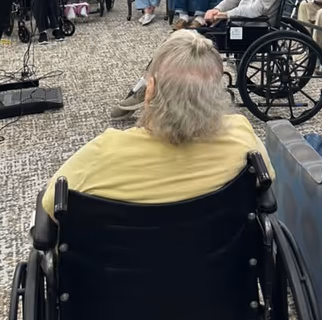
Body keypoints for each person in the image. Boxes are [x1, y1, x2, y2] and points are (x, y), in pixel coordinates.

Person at [43, 31, 274, 216]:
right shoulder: (241, 136)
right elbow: (266, 182)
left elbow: (51, 204)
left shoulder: (105, 151)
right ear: (216, 92)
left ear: (150, 90)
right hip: (221, 269)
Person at [111, 0, 287, 119]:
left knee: (179, 44)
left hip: (251, 30)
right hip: (237, 24)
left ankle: (146, 89)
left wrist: (225, 15)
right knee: (174, 40)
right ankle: (142, 87)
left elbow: (258, 9)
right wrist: (216, 9)